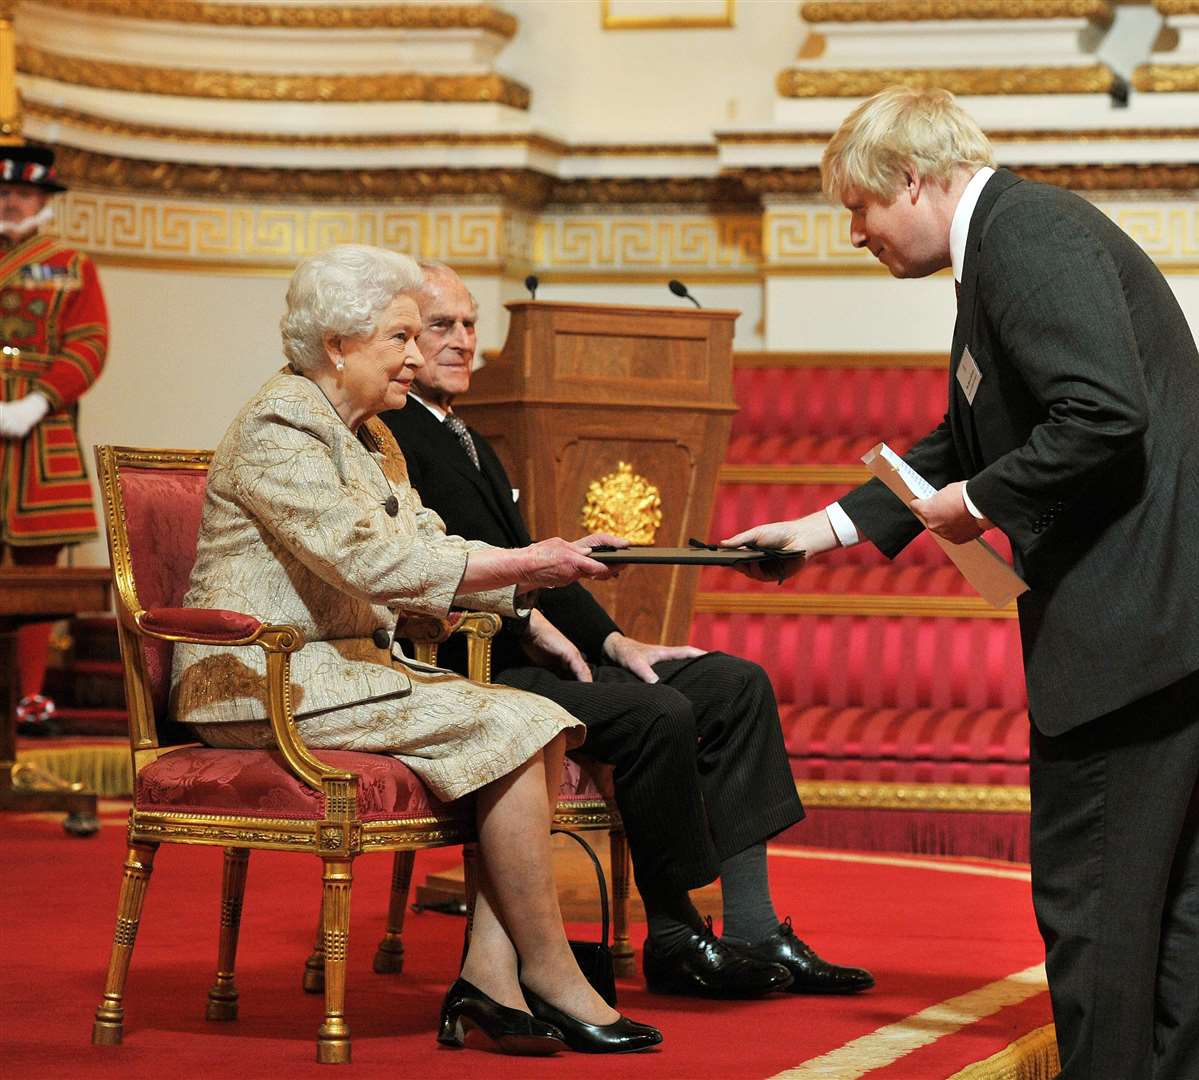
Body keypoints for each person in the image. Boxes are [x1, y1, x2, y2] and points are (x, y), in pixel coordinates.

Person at [724, 88, 1199, 1079]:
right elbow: (965, 432)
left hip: (1143, 608)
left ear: (909, 178)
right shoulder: (1004, 242)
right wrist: (822, 528)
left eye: (856, 208)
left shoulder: (1024, 237)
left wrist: (978, 501)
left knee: (1094, 890)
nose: (852, 233)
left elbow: (1099, 415)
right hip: (1179, 595)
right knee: (1165, 884)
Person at [170, 244, 661, 1056]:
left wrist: (537, 576)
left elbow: (426, 543)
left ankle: (492, 980)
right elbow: (374, 561)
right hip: (260, 676)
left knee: (535, 720)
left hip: (339, 669)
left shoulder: (368, 439)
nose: (414, 355)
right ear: (336, 344)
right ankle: (547, 971)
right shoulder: (281, 424)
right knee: (519, 725)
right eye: (398, 337)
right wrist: (526, 560)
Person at [379, 261, 874, 999]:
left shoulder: (465, 435)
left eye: (470, 324)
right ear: (404, 342)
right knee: (656, 712)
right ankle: (675, 937)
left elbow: (529, 561)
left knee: (733, 685)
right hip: (474, 668)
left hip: (548, 654)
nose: (462, 342)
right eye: (440, 326)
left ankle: (754, 925)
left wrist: (617, 643)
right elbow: (447, 568)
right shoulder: (388, 437)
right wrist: (537, 592)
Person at [0, 143, 108, 727]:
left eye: (22, 193)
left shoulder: (70, 265)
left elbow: (89, 342)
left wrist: (38, 401)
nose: (12, 202)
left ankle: (30, 694)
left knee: (36, 569)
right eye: (4, 192)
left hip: (39, 430)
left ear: (42, 199)